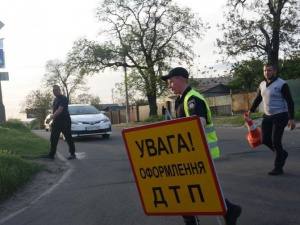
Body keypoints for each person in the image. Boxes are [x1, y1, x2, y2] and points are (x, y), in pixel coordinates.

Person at [161, 67, 241, 225]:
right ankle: (229, 210)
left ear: (181, 79)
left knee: (185, 190)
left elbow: (200, 122)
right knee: (198, 189)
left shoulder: (192, 98)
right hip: (190, 152)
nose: (169, 86)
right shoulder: (182, 99)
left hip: (198, 152)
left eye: (171, 82)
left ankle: (196, 219)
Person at [248, 62, 295, 175]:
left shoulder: (282, 84)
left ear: (274, 71)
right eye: (265, 70)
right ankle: (282, 154)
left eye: (269, 70)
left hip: (281, 116)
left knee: (276, 141)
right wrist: (251, 110)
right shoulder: (262, 84)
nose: (267, 72)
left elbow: (290, 101)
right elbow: (258, 98)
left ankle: (278, 167)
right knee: (264, 140)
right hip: (267, 116)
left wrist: (291, 118)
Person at [43, 85, 76, 160]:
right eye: (53, 90)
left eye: (56, 90)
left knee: (68, 137)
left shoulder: (63, 98)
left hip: (65, 121)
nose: (54, 91)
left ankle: (72, 153)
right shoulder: (55, 100)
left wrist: (51, 118)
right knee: (53, 138)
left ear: (59, 90)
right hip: (56, 121)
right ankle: (51, 154)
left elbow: (60, 109)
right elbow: (54, 111)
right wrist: (52, 118)